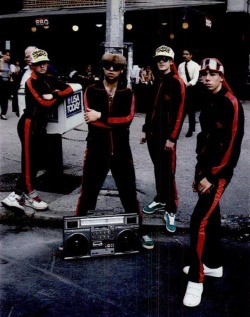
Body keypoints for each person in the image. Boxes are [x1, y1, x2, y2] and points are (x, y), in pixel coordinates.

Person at [75, 52, 154, 250]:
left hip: (121, 151)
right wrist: (110, 121)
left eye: (116, 67)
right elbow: (89, 117)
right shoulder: (91, 90)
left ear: (121, 70)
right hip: (95, 149)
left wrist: (101, 116)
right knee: (88, 193)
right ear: (102, 67)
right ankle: (75, 234)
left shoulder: (128, 93)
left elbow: (127, 118)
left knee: (128, 194)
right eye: (108, 66)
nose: (111, 70)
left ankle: (140, 231)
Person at [182, 58, 244, 307]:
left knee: (199, 221)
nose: (207, 78)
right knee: (212, 216)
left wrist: (212, 176)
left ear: (221, 76)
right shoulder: (208, 99)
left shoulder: (231, 103)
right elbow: (204, 139)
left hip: (219, 173)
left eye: (212, 74)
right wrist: (199, 173)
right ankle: (213, 265)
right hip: (205, 170)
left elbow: (232, 147)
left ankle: (196, 281)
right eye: (204, 74)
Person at [1, 48, 74, 212]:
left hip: (39, 125)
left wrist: (54, 94)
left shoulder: (49, 78)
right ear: (32, 65)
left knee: (35, 161)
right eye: (39, 64)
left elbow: (68, 89)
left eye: (44, 63)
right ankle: (29, 194)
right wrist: (56, 96)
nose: (42, 66)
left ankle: (17, 195)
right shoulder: (30, 81)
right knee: (29, 163)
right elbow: (44, 103)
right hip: (28, 124)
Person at [140, 45, 186, 233]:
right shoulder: (158, 79)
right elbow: (151, 108)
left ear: (171, 61)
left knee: (168, 172)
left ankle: (171, 209)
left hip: (167, 138)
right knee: (158, 168)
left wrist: (172, 138)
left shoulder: (176, 82)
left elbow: (180, 112)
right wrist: (145, 130)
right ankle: (160, 199)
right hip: (153, 136)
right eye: (159, 58)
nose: (161, 61)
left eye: (165, 59)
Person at [178, 48, 200, 137]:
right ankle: (177, 129)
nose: (185, 56)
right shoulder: (180, 65)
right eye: (183, 54)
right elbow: (179, 76)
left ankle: (191, 129)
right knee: (181, 110)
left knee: (191, 111)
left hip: (191, 89)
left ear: (191, 55)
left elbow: (195, 78)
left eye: (187, 54)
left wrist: (189, 84)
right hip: (182, 89)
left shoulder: (196, 65)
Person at [0, 49, 11, 120]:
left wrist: (10, 76)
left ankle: (3, 113)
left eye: (9, 55)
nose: (8, 57)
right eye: (7, 55)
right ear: (2, 55)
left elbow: (8, 72)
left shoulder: (7, 63)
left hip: (6, 82)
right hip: (0, 81)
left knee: (5, 98)